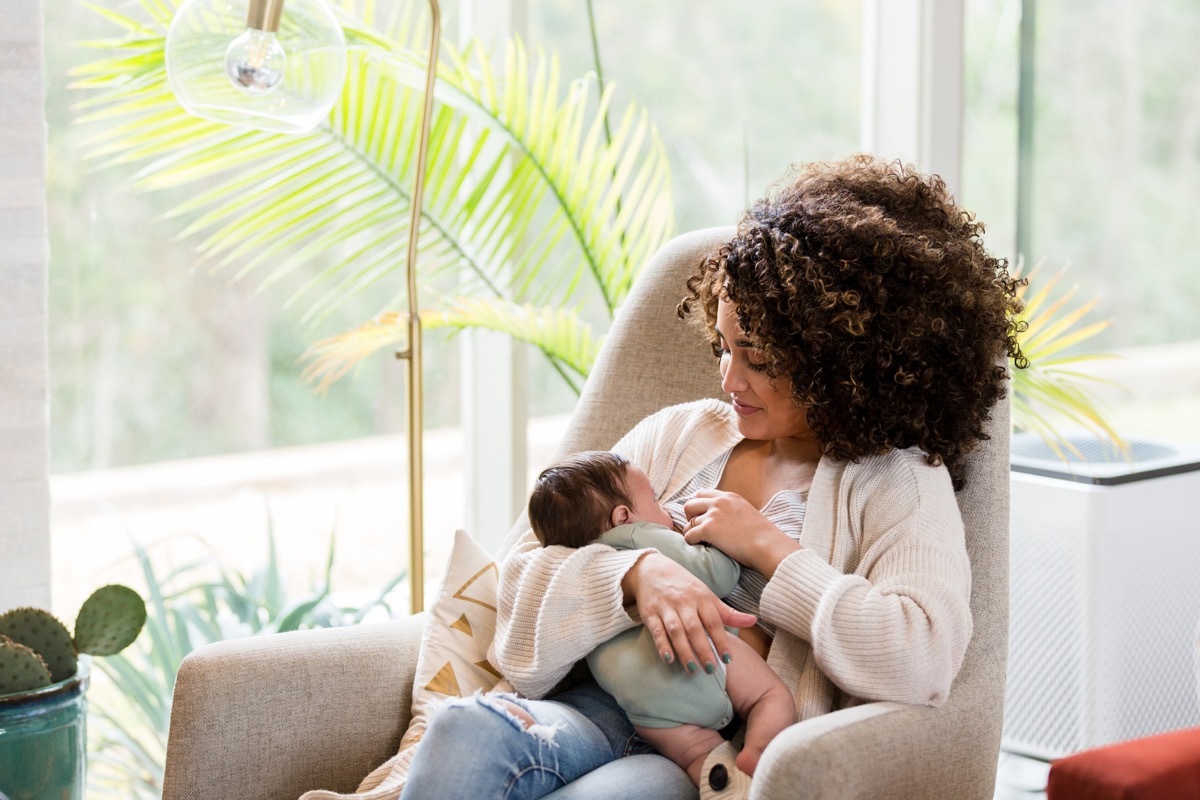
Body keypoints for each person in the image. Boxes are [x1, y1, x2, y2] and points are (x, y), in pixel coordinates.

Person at [400, 154, 1025, 800]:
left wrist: (768, 550)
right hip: (591, 702)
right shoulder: (681, 433)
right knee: (463, 731)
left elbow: (921, 656)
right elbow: (521, 579)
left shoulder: (895, 482)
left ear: (838, 360)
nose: (729, 380)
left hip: (702, 754)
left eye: (756, 358)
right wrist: (635, 576)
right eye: (725, 347)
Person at [526, 449, 797, 785]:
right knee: (770, 697)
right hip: (698, 659)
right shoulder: (640, 537)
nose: (666, 508)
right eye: (654, 499)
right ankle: (758, 756)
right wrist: (719, 540)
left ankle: (723, 784)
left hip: (640, 701)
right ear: (623, 516)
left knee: (697, 754)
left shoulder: (577, 561)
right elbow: (716, 575)